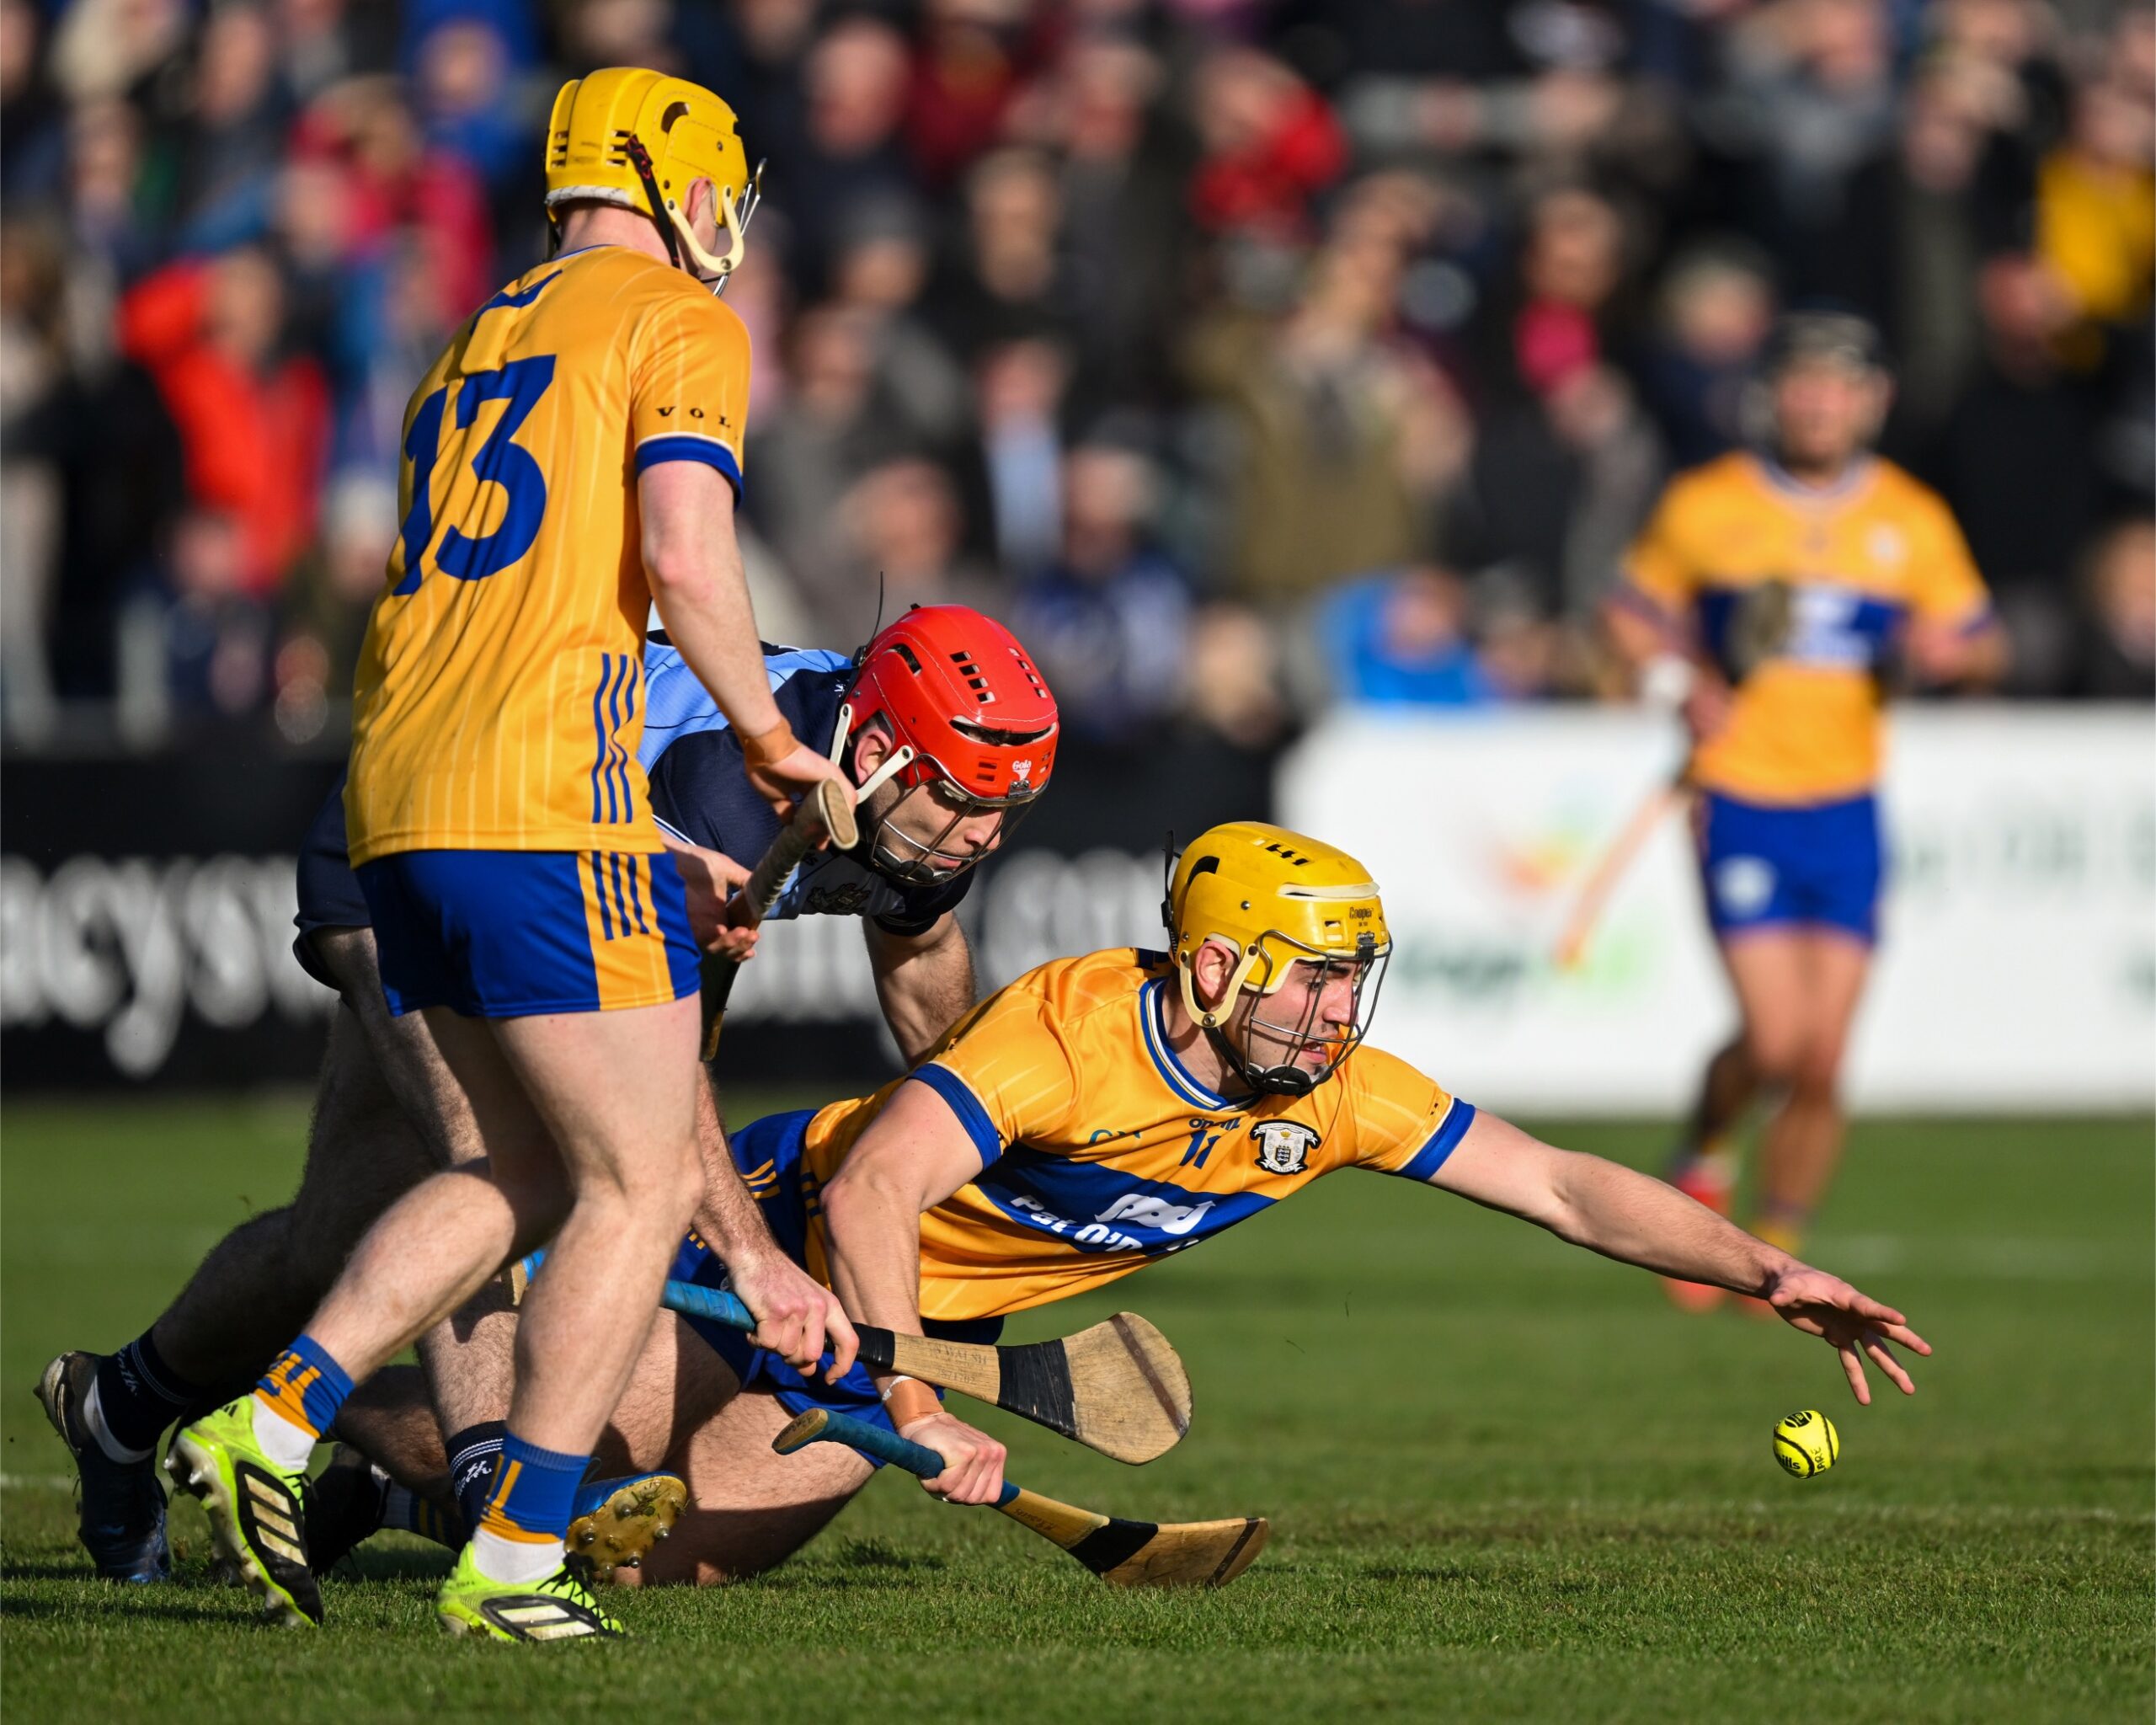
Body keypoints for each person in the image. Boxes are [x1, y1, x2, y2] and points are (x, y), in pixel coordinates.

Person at [325, 821, 1929, 1586]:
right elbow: (882, 1179)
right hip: (748, 1238)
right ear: (1217, 964)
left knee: (661, 1566)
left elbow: (1567, 1184)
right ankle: (364, 1445)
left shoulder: (1335, 1100)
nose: (1336, 1012)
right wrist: (893, 1380)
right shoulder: (1077, 1030)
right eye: (1310, 979)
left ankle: (389, 1501)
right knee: (539, 1485)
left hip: (900, 1323)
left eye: (1351, 980)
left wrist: (1768, 1266)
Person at [150, 67, 847, 1642]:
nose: (725, 227)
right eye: (719, 188)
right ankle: (515, 1556)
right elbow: (683, 552)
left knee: (523, 1168)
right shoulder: (680, 323)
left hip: (393, 796)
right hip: (546, 797)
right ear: (672, 179)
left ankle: (268, 1418)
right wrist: (766, 736)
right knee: (627, 1175)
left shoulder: (475, 334)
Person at [36, 607, 1056, 1590]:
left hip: (517, 872)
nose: (980, 837)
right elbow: (656, 1057)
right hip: (425, 842)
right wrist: (755, 1261)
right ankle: (496, 1508)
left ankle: (119, 1403)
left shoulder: (901, 796)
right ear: (876, 745)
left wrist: (980, 1140)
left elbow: (919, 953)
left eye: (1000, 810)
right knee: (497, 1162)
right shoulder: (730, 785)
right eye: (964, 803)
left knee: (333, 1235)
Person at [1604, 311, 2005, 1312]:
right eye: (1802, 382)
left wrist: (1941, 656)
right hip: (1740, 796)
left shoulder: (1909, 518)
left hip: (1847, 807)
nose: (1820, 400)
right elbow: (1625, 611)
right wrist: (1673, 682)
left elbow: (1978, 634)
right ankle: (1702, 1147)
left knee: (1824, 1059)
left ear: (1872, 401)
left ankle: (1778, 1246)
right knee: (1774, 1040)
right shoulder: (1708, 503)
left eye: (1840, 384)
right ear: (1773, 394)